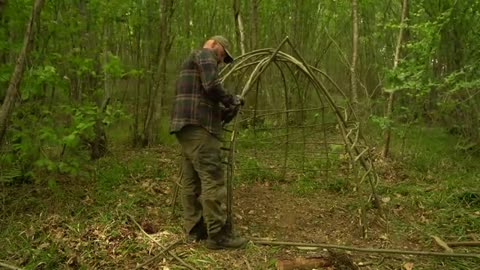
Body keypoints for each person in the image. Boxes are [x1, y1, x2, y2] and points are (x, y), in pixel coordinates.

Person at [170, 35, 246, 249]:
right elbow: (212, 85)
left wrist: (227, 110)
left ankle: (195, 230)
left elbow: (204, 99)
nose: (221, 60)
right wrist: (231, 98)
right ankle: (218, 235)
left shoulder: (191, 65)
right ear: (214, 44)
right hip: (200, 130)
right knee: (212, 178)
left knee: (191, 181)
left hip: (186, 129)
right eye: (223, 54)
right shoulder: (205, 54)